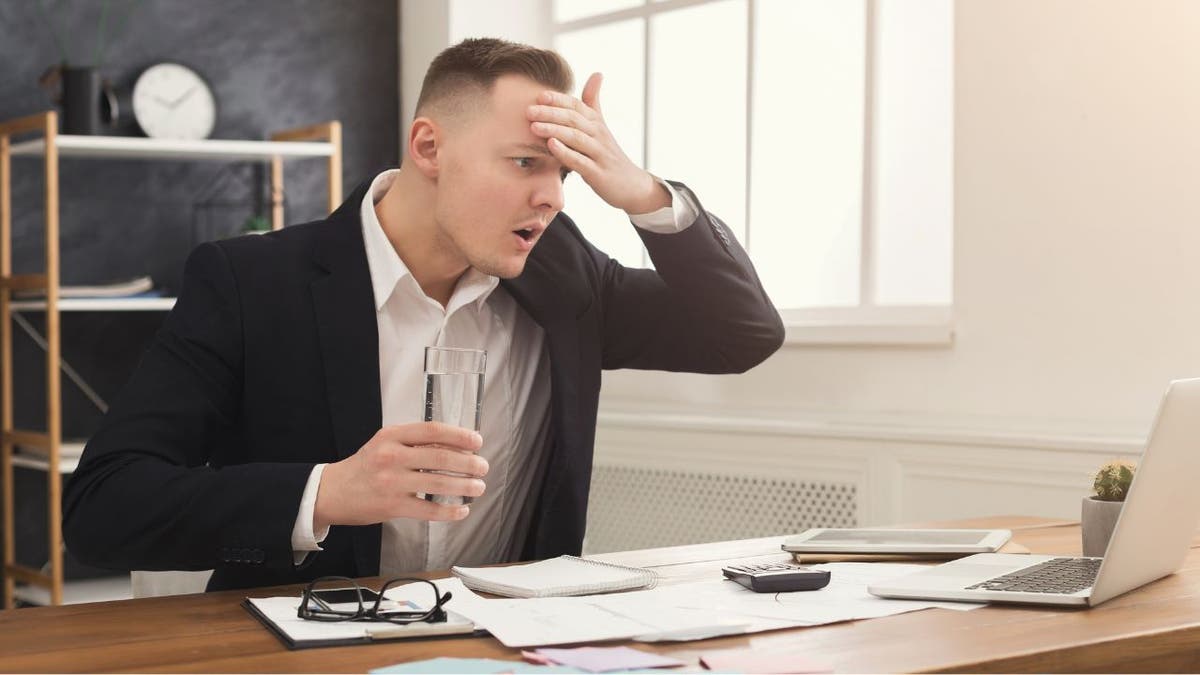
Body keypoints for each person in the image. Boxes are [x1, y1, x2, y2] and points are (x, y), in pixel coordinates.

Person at [62, 38, 784, 591]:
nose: (555, 196)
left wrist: (643, 193)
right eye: (527, 162)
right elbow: (102, 506)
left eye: (566, 170)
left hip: (507, 647)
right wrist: (326, 491)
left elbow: (741, 332)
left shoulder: (563, 274)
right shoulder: (250, 282)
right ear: (430, 147)